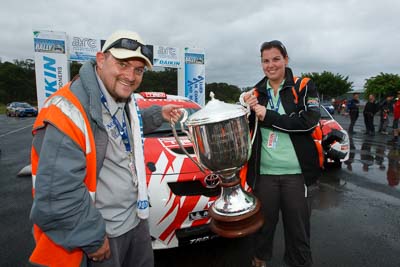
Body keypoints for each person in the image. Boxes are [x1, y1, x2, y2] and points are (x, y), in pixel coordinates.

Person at [29, 30, 182, 267]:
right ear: (101, 60)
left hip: (136, 220)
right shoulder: (66, 111)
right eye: (122, 64)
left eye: (138, 70)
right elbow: (55, 195)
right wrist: (92, 237)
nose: (130, 76)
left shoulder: (121, 98)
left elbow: (124, 124)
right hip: (103, 234)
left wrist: (157, 114)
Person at [240, 40, 321, 267]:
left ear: (286, 59)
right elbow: (247, 129)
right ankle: (259, 261)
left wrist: (270, 116)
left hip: (297, 175)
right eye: (265, 61)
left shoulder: (304, 85)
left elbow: (308, 122)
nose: (271, 65)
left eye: (276, 59)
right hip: (264, 174)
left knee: (298, 234)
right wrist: (244, 108)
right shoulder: (256, 92)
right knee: (262, 230)